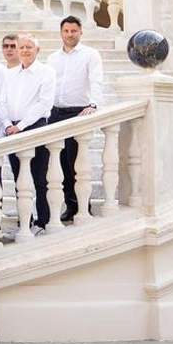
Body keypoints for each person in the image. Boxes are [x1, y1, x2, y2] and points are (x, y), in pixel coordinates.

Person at [47, 16, 104, 223]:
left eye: (73, 31)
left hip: (78, 113)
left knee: (75, 163)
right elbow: (48, 85)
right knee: (58, 163)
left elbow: (96, 80)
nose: (70, 34)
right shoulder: (53, 58)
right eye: (66, 31)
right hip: (55, 114)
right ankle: (70, 205)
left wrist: (94, 104)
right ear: (61, 33)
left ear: (80, 32)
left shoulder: (90, 55)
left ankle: (82, 206)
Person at [0, 34, 57, 230]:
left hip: (34, 127)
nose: (24, 50)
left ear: (37, 50)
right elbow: (2, 102)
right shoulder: (9, 74)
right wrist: (7, 125)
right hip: (11, 129)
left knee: (39, 176)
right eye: (21, 47)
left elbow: (44, 103)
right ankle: (26, 218)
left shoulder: (46, 72)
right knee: (18, 176)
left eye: (29, 47)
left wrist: (21, 126)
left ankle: (44, 219)